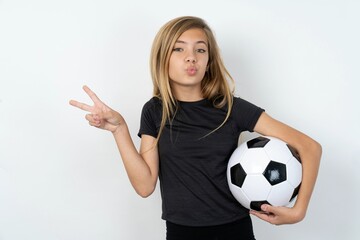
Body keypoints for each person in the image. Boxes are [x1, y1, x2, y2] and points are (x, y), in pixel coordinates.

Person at [69, 16, 322, 240]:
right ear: (163, 58)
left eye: (200, 50)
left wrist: (298, 211)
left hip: (234, 231)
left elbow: (310, 148)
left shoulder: (231, 108)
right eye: (179, 49)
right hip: (181, 233)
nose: (191, 57)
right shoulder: (155, 111)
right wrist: (119, 129)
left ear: (209, 61)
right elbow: (145, 186)